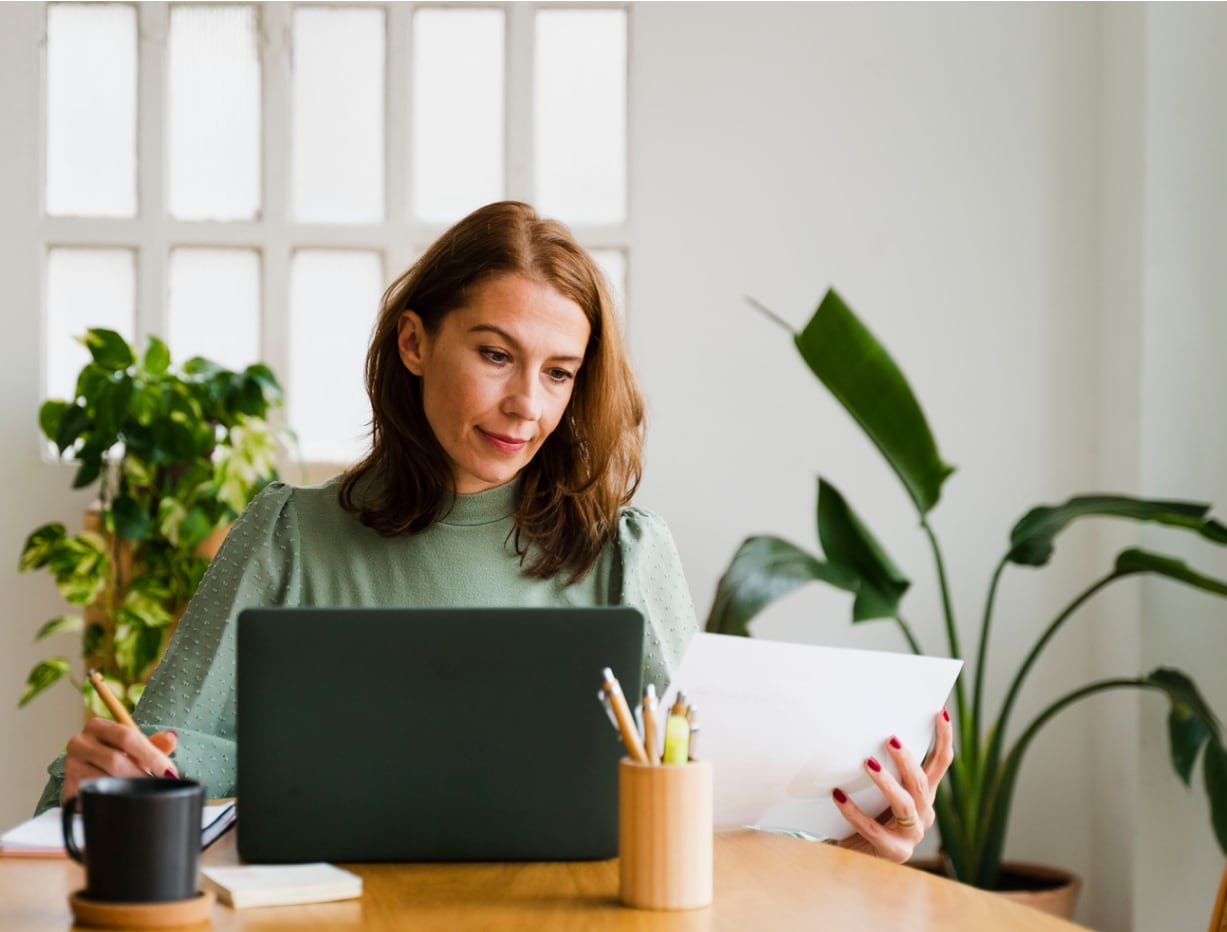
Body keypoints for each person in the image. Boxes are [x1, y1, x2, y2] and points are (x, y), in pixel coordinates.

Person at [36, 200, 951, 863]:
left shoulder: (624, 555)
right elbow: (133, 777)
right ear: (413, 343)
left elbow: (716, 821)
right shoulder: (286, 536)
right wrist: (93, 780)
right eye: (495, 354)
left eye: (560, 373)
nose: (527, 405)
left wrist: (868, 837)